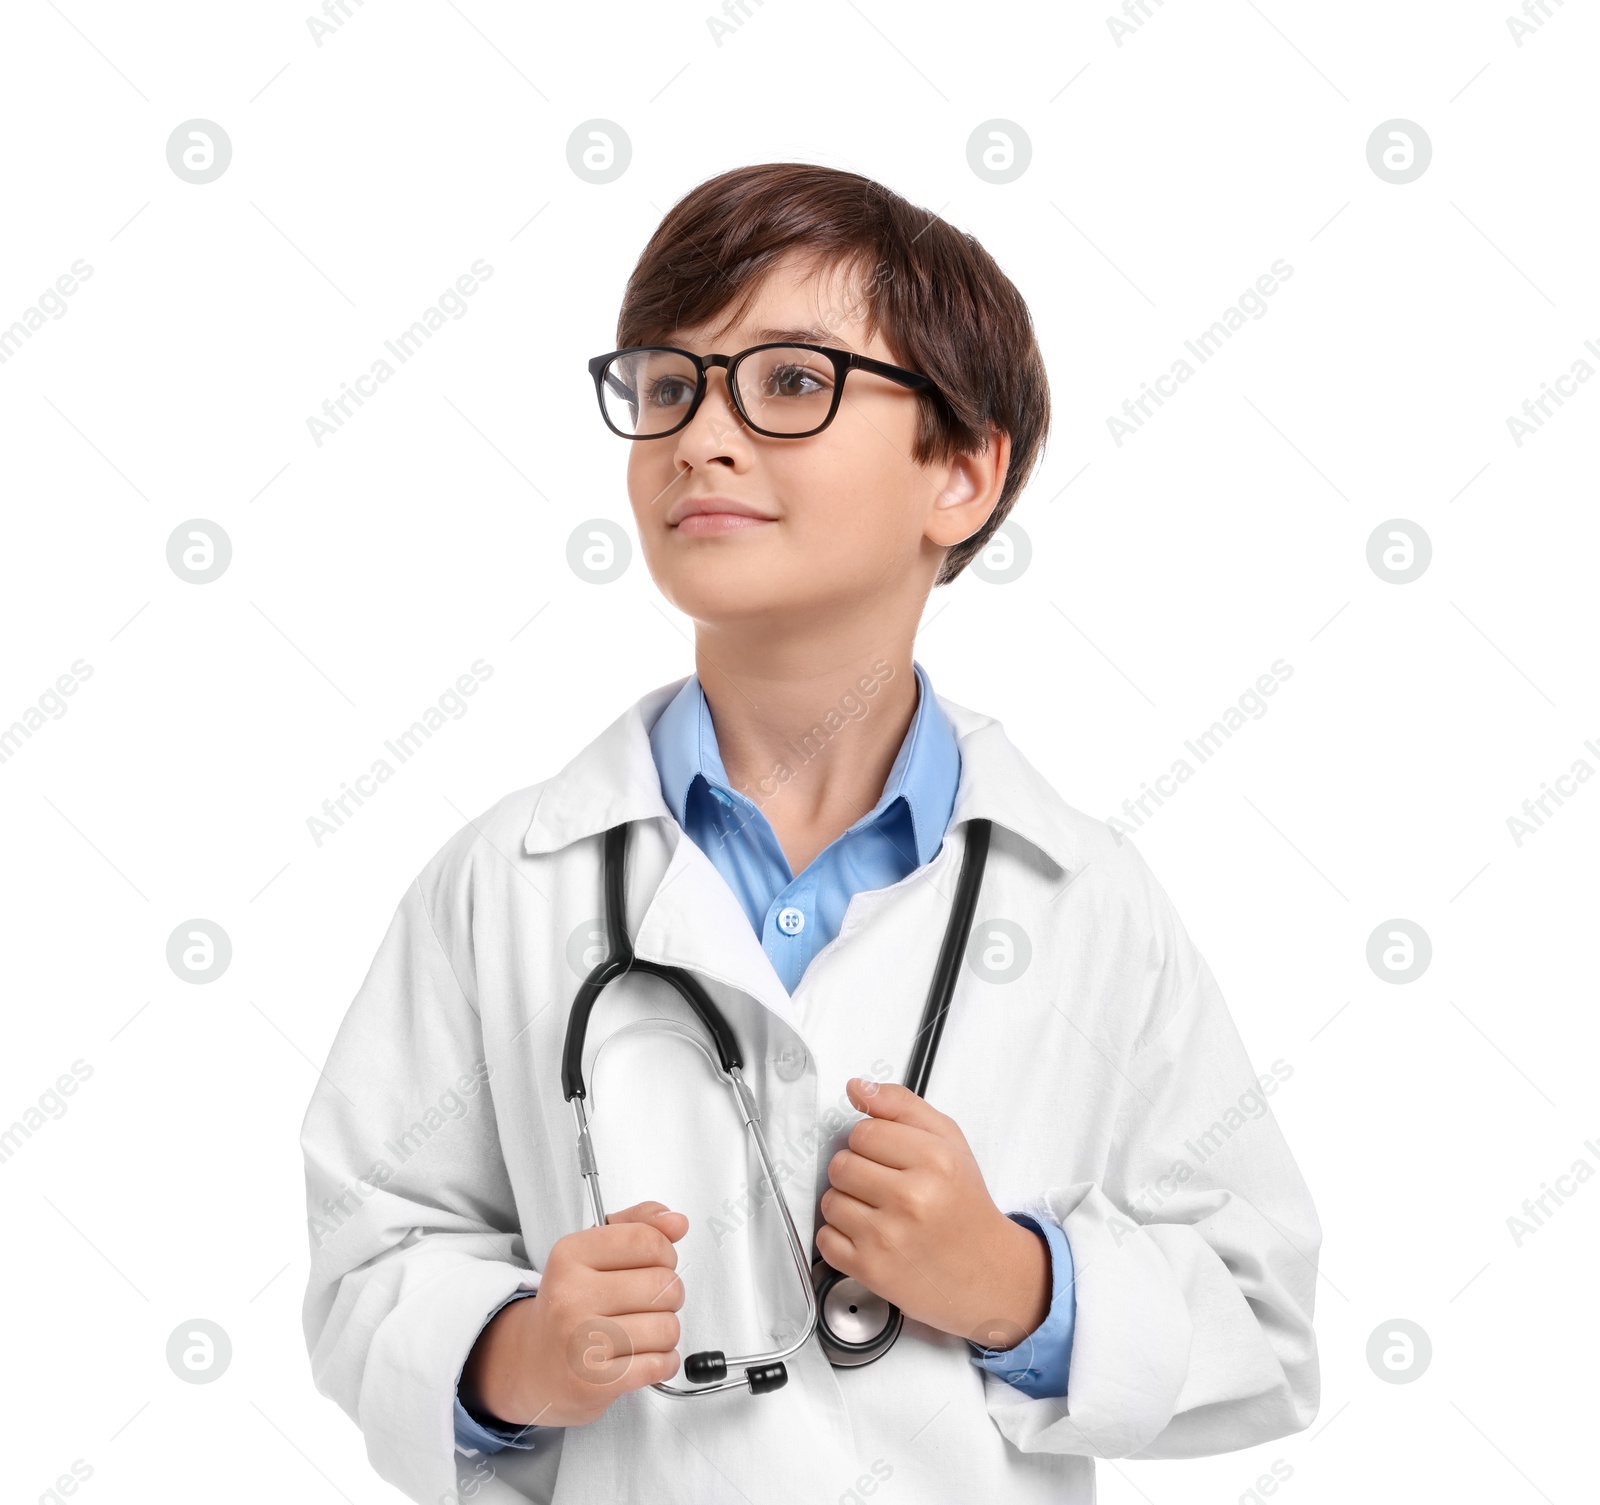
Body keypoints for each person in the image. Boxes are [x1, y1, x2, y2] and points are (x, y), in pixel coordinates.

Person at [299, 162, 1321, 1505]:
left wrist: (1018, 1284)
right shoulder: (505, 882)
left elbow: (1262, 1310)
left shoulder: (1087, 903)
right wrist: (514, 1357)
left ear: (962, 471)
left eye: (789, 383)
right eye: (670, 386)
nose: (700, 436)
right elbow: (370, 1252)